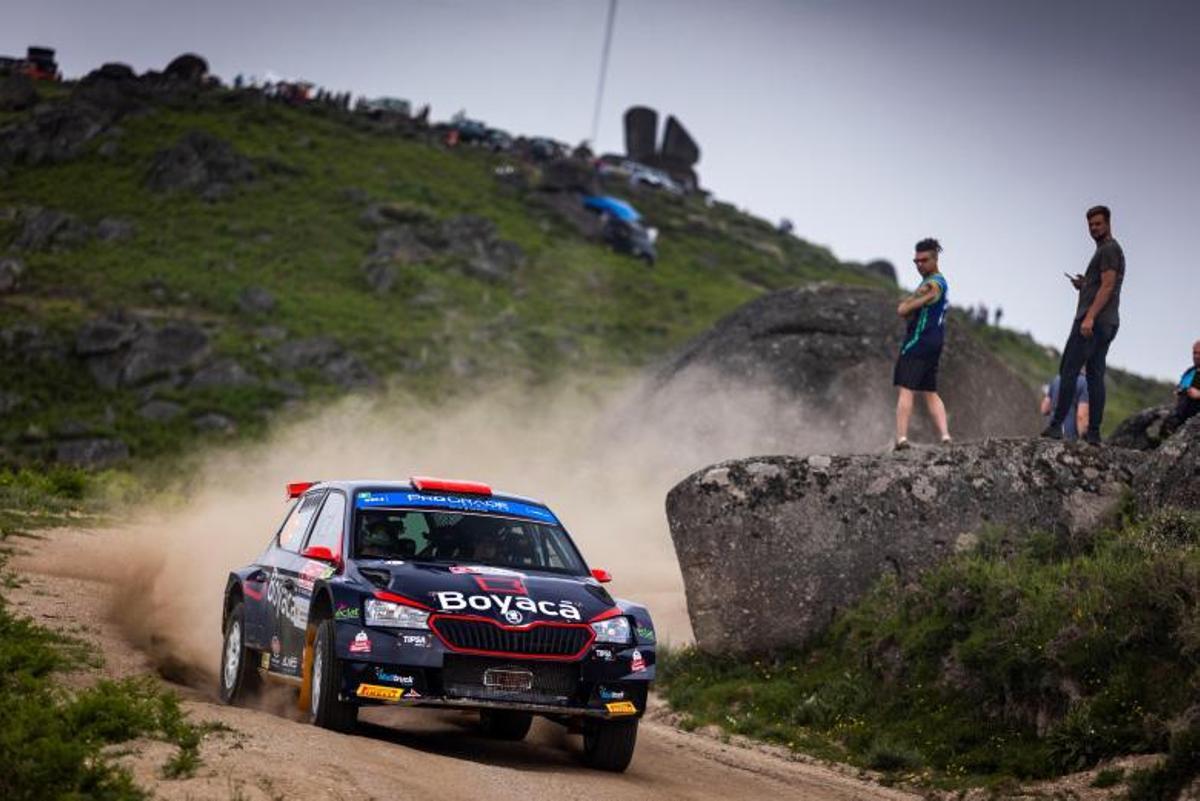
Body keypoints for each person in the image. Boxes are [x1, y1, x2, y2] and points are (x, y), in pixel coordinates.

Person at [1042, 205, 1125, 444]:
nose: (1094, 228)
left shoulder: (1109, 249)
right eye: (1090, 225)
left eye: (1098, 223)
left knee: (1068, 369)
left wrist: (1089, 317)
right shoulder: (1109, 251)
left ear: (1108, 223)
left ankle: (1056, 426)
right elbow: (1102, 282)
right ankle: (1094, 434)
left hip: (1093, 322)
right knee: (1095, 375)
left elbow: (1108, 286)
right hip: (1109, 323)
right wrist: (1086, 284)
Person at [893, 237, 951, 450]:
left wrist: (910, 304)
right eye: (916, 261)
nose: (919, 265)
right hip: (935, 343)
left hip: (918, 341)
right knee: (930, 390)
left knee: (906, 388)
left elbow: (902, 310)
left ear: (934, 259)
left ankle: (901, 439)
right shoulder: (942, 282)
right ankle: (945, 436)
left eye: (923, 260)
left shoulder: (931, 284)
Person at [1163, 339, 1200, 436]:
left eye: (1199, 353)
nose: (1196, 356)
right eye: (1194, 353)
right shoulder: (1190, 371)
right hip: (1181, 419)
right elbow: (1181, 388)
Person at [1041, 369, 1089, 441]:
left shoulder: (1057, 378)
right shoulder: (1085, 383)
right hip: (1069, 437)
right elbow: (1081, 416)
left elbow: (1044, 409)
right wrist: (1083, 439)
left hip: (1052, 433)